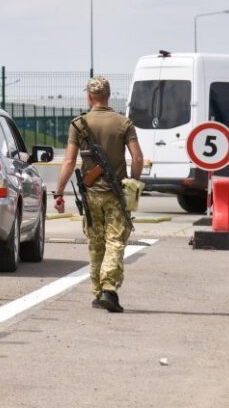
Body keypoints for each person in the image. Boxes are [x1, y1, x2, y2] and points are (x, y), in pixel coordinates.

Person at [54, 76, 144, 313]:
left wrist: (59, 191)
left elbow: (69, 161)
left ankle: (97, 293)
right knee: (115, 240)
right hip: (116, 194)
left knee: (96, 243)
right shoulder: (124, 123)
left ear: (89, 97)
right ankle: (109, 289)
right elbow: (137, 158)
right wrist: (133, 182)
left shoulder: (79, 124)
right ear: (108, 95)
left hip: (91, 193)